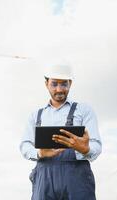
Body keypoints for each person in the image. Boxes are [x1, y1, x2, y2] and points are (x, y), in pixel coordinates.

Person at [19, 64, 102, 200]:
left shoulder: (84, 111)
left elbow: (96, 146)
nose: (59, 89)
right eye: (54, 84)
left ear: (70, 83)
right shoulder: (35, 116)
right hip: (44, 178)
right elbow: (25, 145)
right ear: (46, 84)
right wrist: (40, 153)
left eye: (64, 84)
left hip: (77, 179)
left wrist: (85, 149)